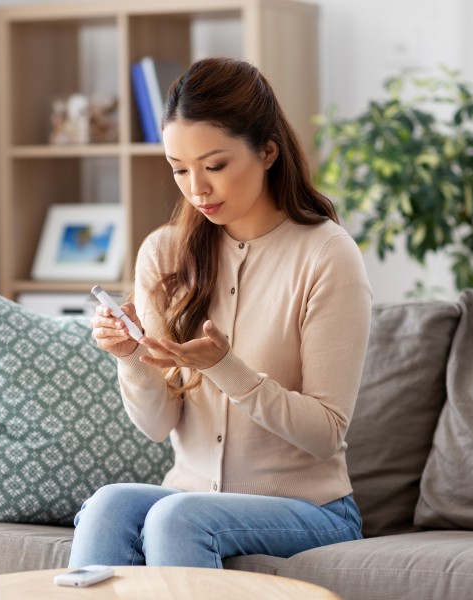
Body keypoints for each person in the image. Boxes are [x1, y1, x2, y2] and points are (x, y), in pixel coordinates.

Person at [69, 57, 372, 569]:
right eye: (179, 169)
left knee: (176, 517)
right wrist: (131, 358)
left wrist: (225, 368)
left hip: (309, 509)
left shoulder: (326, 253)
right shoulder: (164, 254)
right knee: (107, 506)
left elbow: (325, 433)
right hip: (188, 497)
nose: (197, 189)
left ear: (268, 151)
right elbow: (157, 425)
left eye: (214, 166)